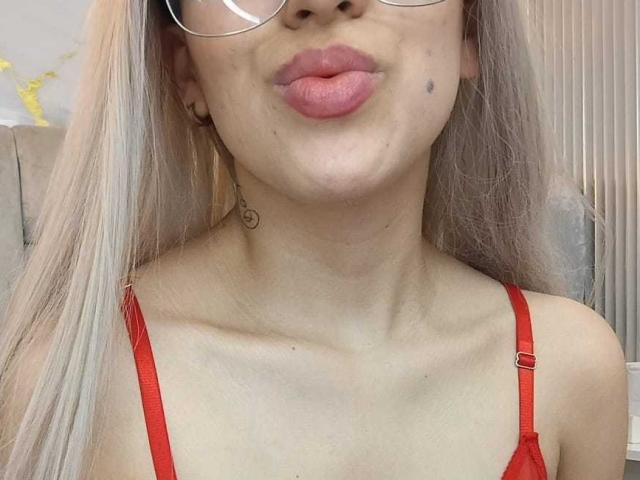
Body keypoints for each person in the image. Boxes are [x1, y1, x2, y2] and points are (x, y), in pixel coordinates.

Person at [0, 0, 628, 478]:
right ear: (184, 68)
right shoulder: (71, 393)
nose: (321, 2)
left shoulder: (572, 372)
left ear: (471, 30)